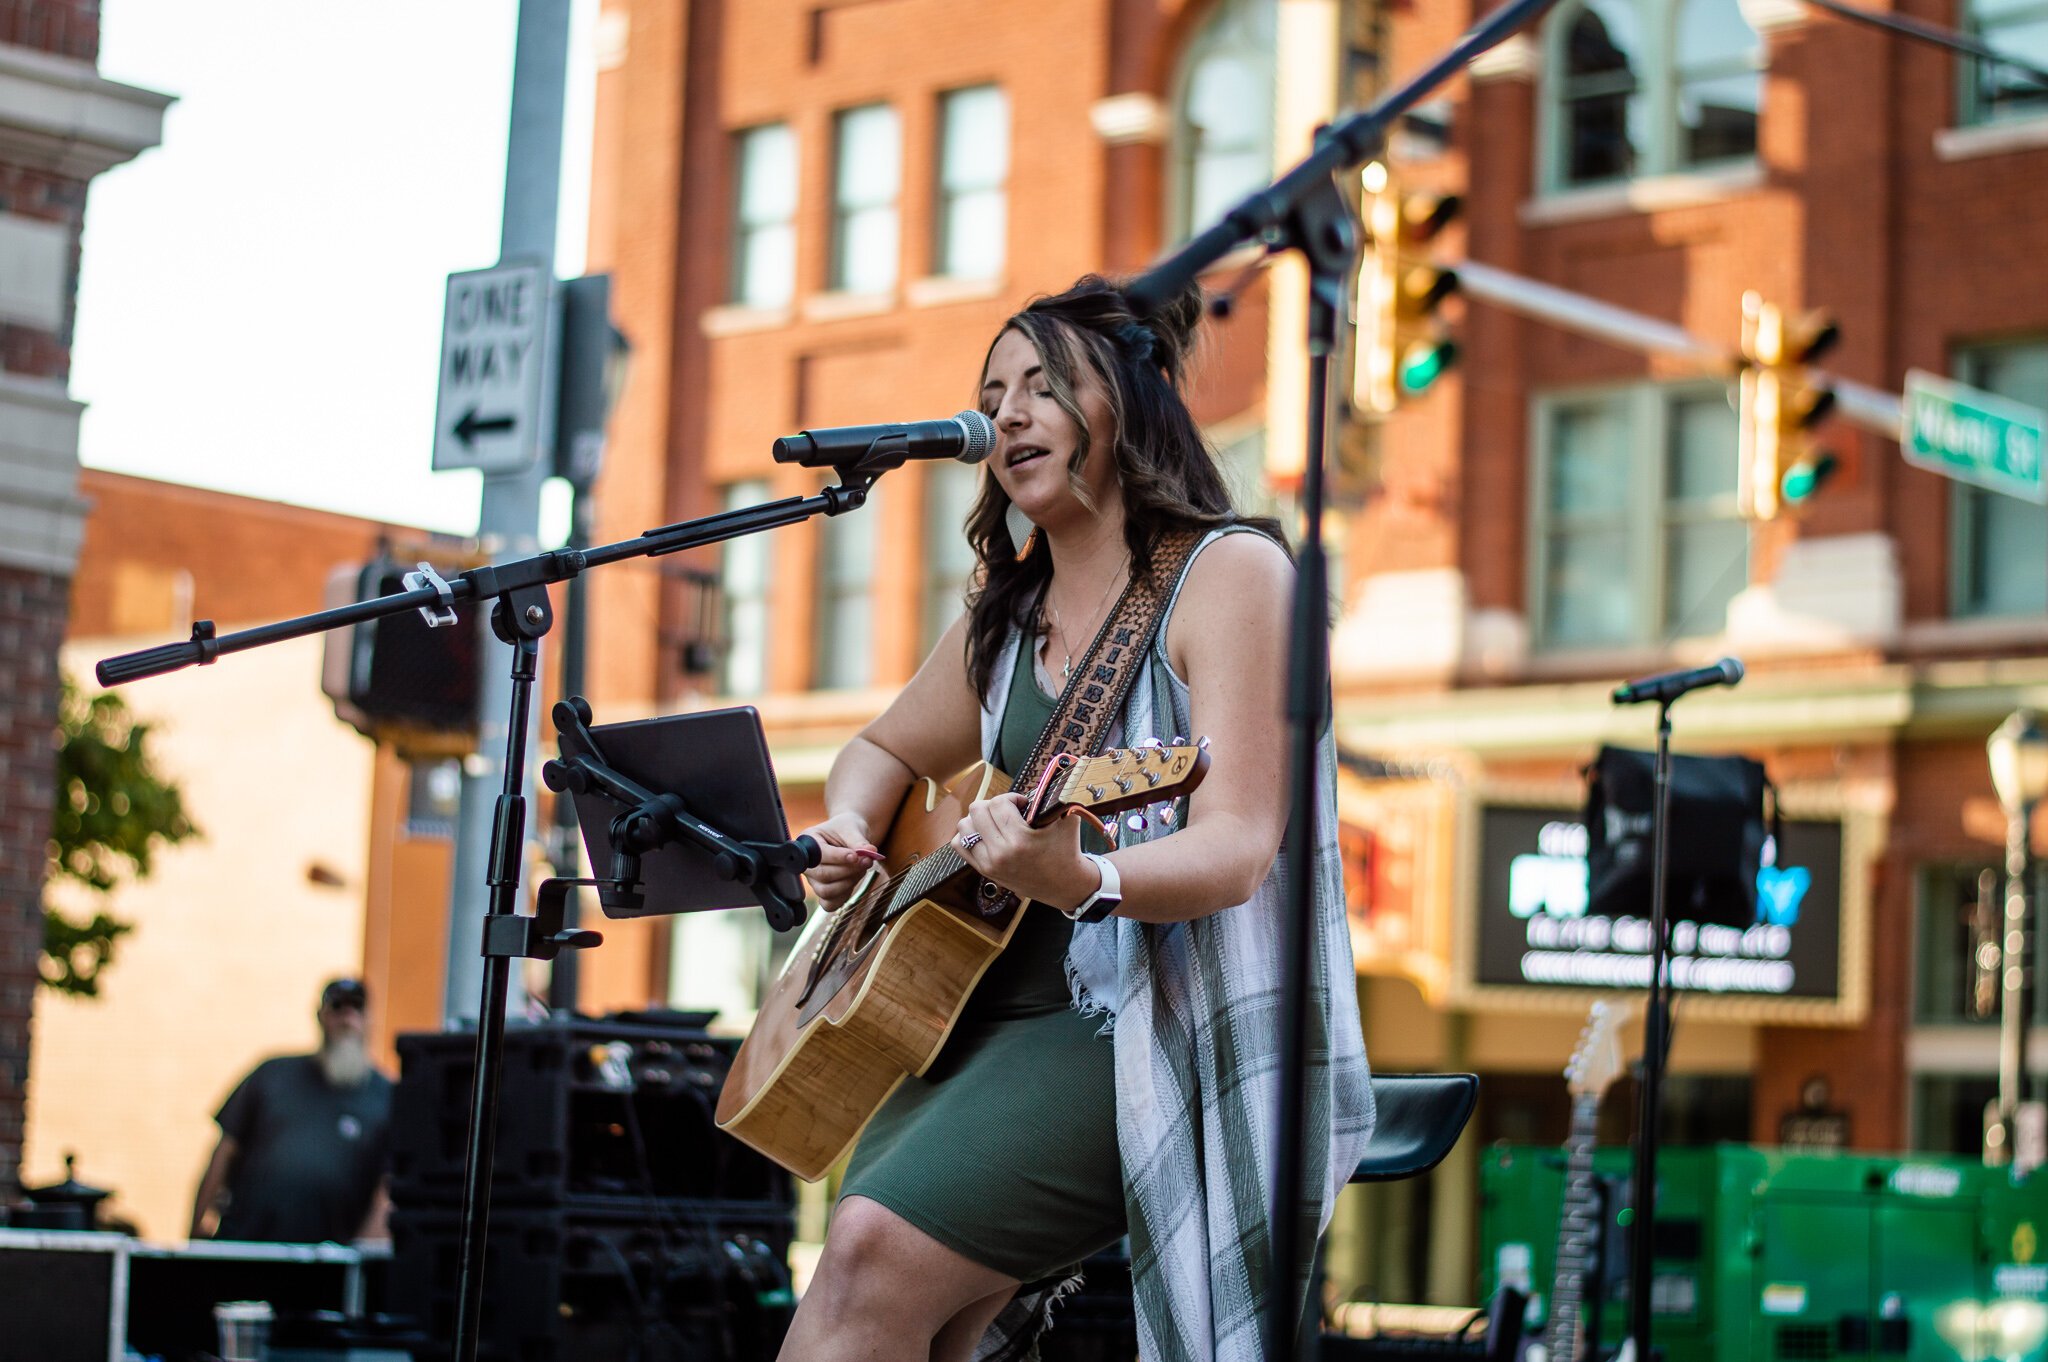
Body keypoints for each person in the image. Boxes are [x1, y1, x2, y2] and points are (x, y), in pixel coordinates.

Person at [779, 276, 1374, 1362]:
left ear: (1128, 410)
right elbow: (876, 750)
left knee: (863, 1259)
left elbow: (1238, 843)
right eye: (992, 392)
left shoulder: (1229, 575)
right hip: (960, 1015)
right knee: (930, 1326)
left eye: (1042, 387)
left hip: (1136, 1027)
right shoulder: (1005, 621)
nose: (1005, 415)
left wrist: (1085, 879)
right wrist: (853, 835)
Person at [189, 977, 394, 1244]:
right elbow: (224, 1152)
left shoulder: (387, 1096)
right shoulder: (271, 1074)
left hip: (327, 1261)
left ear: (369, 1019)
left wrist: (360, 1260)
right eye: (337, 1007)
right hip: (249, 1248)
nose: (347, 1018)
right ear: (320, 1015)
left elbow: (388, 1189)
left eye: (356, 1008)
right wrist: (195, 1232)